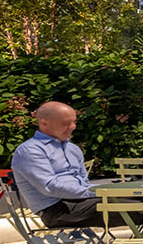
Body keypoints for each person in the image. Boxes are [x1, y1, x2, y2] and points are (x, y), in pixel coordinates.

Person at [10, 101, 105, 236]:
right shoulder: (30, 151)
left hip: (82, 203)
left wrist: (103, 192)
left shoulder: (73, 149)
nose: (72, 127)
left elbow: (84, 183)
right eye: (66, 123)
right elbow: (50, 187)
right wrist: (101, 193)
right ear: (44, 123)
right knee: (137, 206)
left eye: (73, 122)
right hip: (56, 210)